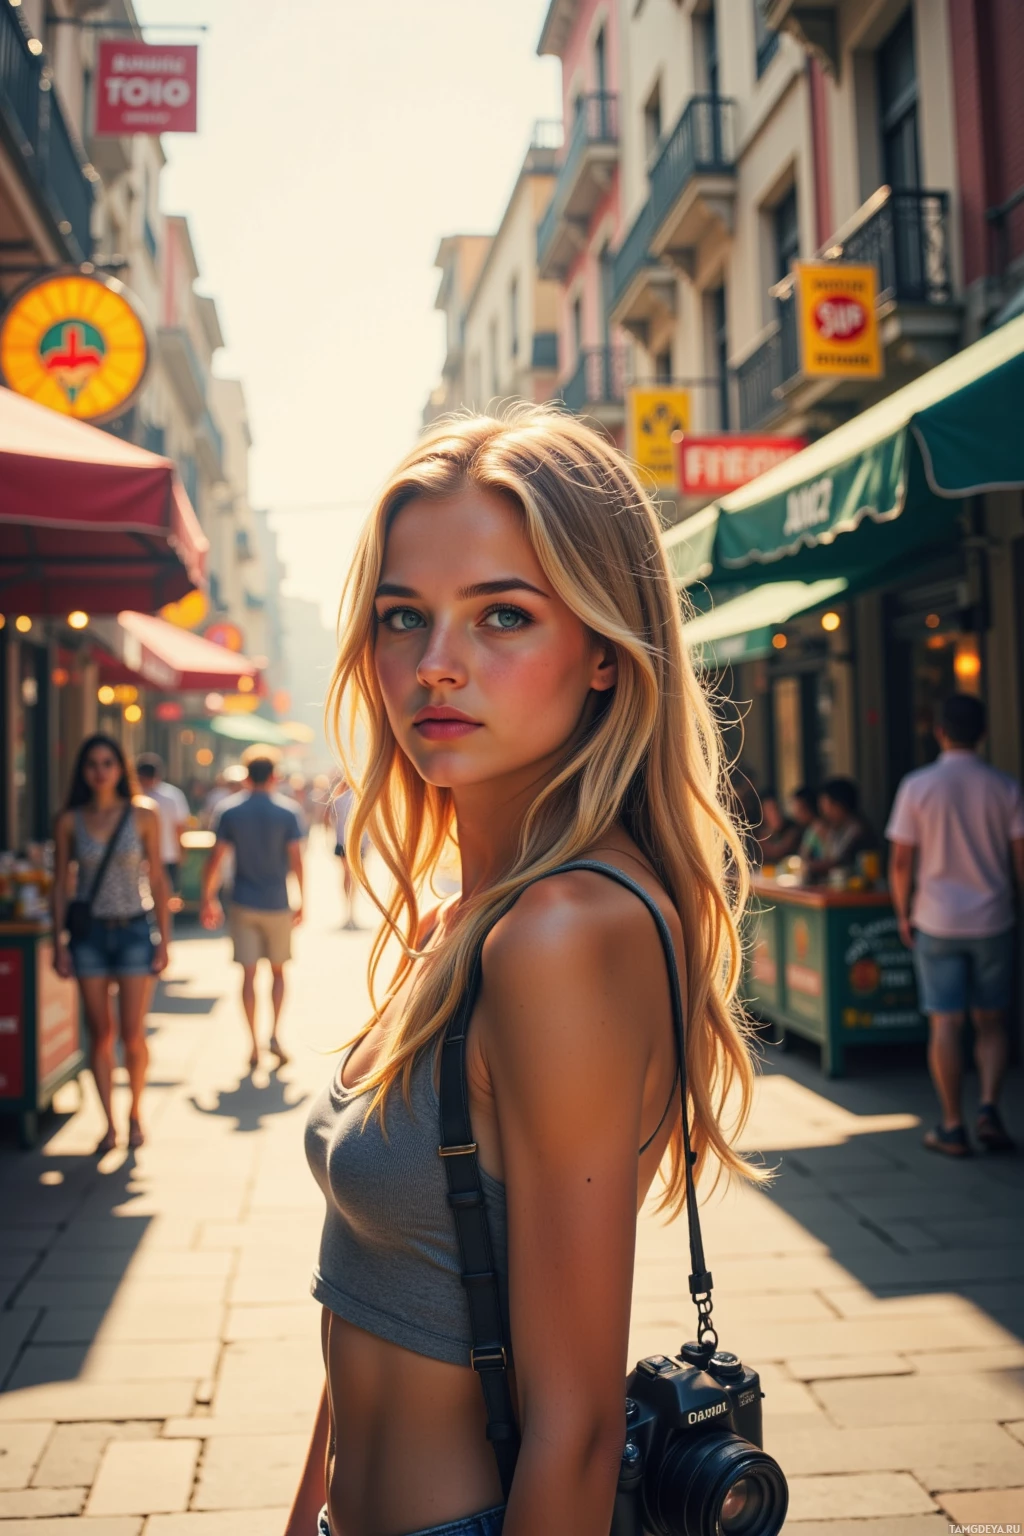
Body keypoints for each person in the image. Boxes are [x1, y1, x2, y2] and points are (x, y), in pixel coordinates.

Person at [288, 409, 760, 1536]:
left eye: (502, 613)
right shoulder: (473, 911)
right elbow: (379, 1286)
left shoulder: (558, 932)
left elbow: (581, 1426)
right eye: (403, 617)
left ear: (606, 646)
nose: (435, 664)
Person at [887, 693, 1024, 1157]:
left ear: (939, 731)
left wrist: (903, 911)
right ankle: (988, 1108)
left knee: (945, 1023)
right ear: (982, 733)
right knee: (991, 1022)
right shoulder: (1005, 787)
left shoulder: (918, 786)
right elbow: (1020, 859)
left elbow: (902, 860)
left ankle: (951, 1124)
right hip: (993, 918)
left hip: (938, 918)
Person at [52, 734, 169, 1152]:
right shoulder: (70, 819)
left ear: (120, 768)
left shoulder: (143, 814)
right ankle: (109, 1122)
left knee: (133, 1034)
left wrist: (164, 940)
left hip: (135, 930)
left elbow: (156, 877)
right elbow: (61, 887)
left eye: (107, 763)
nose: (100, 771)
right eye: (92, 764)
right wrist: (59, 942)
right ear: (83, 772)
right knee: (101, 1033)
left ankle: (136, 1111)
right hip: (89, 937)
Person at [199, 745, 304, 1070]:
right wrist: (303, 899)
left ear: (246, 775)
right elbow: (297, 859)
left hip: (243, 900)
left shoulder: (230, 811)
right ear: (274, 775)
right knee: (278, 971)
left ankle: (253, 1044)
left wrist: (208, 898)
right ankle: (274, 1033)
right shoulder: (287, 812)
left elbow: (215, 859)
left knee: (247, 974)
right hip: (276, 901)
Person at [136, 753, 189, 912]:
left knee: (162, 897)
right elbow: (180, 827)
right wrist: (181, 851)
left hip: (163, 855)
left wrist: (180, 851)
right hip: (156, 856)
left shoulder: (171, 796)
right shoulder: (172, 795)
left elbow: (179, 827)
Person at [807, 777, 875, 877]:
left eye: (826, 805)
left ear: (839, 805)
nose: (824, 811)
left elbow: (838, 861)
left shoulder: (856, 828)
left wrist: (825, 837)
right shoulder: (838, 827)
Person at [332, 779, 370, 930]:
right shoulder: (363, 799)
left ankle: (348, 911)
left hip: (343, 842)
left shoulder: (338, 800)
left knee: (346, 875)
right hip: (358, 843)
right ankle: (351, 912)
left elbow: (332, 821)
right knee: (354, 878)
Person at [756, 787, 802, 863]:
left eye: (776, 808)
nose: (775, 813)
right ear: (763, 813)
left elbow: (779, 851)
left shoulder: (792, 828)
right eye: (770, 810)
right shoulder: (760, 832)